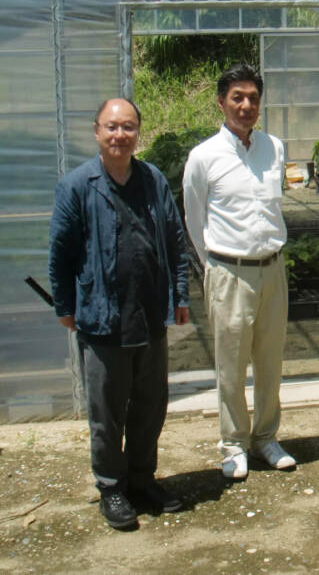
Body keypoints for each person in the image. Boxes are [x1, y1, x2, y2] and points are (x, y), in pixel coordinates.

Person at [49, 98, 189, 530]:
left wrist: (180, 295)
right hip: (101, 317)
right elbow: (60, 251)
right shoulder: (78, 185)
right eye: (111, 127)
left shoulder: (152, 181)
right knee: (107, 411)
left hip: (148, 314)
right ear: (96, 132)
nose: (119, 135)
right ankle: (111, 487)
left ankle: (143, 479)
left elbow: (174, 240)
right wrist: (65, 306)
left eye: (128, 127)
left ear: (137, 133)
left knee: (150, 405)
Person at [183, 63, 296, 479]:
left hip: (272, 268)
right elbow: (194, 221)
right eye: (237, 97)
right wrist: (215, 264)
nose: (246, 105)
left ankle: (266, 437)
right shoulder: (204, 157)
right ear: (221, 102)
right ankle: (233, 443)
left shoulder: (274, 148)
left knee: (270, 360)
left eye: (253, 98)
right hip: (229, 272)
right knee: (231, 364)